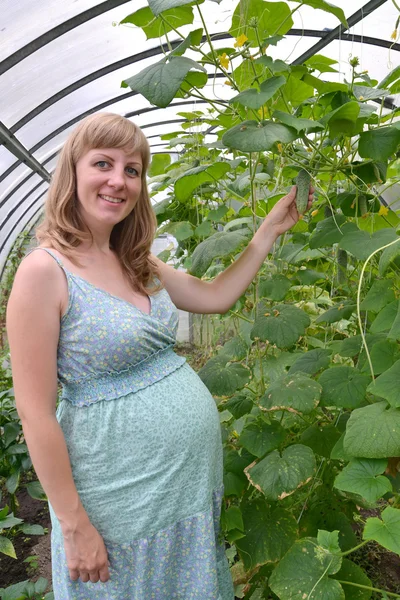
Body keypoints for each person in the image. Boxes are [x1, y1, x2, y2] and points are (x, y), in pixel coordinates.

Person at [6, 112, 313, 600]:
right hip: (122, 496)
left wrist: (267, 233)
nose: (118, 180)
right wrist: (73, 523)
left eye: (133, 169)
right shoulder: (45, 272)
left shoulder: (136, 261)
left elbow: (214, 296)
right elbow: (34, 411)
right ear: (72, 172)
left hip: (184, 492)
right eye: (103, 163)